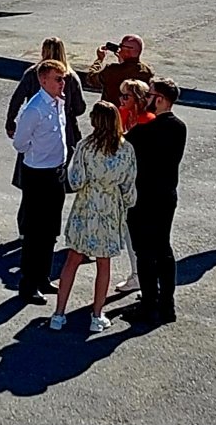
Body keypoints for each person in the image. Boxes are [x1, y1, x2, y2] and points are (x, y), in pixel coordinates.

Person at [52, 102, 140, 333]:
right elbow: (129, 187)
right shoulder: (125, 149)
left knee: (72, 259)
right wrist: (126, 202)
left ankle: (58, 313)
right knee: (104, 263)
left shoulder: (84, 147)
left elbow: (76, 181)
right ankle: (97, 315)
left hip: (86, 206)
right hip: (110, 208)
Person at [124, 77, 186, 326]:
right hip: (167, 195)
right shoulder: (179, 127)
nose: (146, 99)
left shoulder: (145, 130)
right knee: (163, 249)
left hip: (143, 197)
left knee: (144, 252)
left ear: (159, 99)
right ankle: (167, 305)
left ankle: (149, 304)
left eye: (149, 95)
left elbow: (124, 145)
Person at [10, 59, 71, 305]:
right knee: (35, 233)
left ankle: (43, 277)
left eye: (63, 78)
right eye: (58, 78)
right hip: (38, 176)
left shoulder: (58, 103)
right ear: (43, 80)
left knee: (50, 230)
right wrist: (39, 154)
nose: (62, 82)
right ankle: (28, 285)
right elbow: (20, 143)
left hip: (56, 173)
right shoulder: (34, 109)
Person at [84, 34, 155, 107]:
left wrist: (99, 59)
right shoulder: (147, 71)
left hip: (113, 114)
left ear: (128, 51)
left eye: (121, 46)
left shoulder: (112, 71)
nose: (119, 48)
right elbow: (129, 70)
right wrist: (123, 62)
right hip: (136, 114)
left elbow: (91, 78)